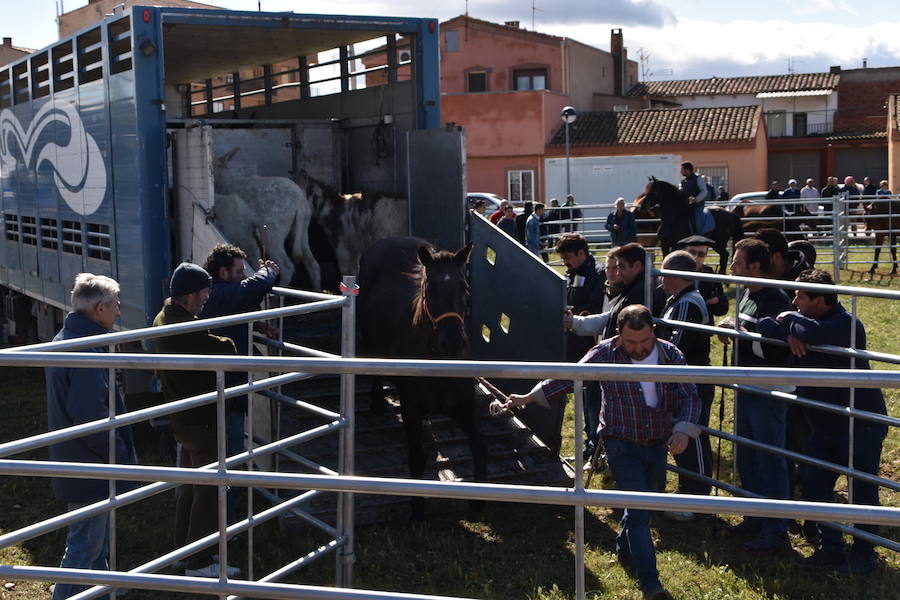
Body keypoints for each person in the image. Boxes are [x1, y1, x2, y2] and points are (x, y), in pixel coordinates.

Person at [506, 305, 700, 600]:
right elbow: (570, 377)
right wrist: (528, 398)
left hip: (657, 441)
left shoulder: (671, 354)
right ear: (619, 335)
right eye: (631, 342)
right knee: (638, 512)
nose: (638, 348)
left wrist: (684, 429)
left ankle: (623, 548)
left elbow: (689, 395)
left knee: (645, 502)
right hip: (620, 442)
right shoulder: (605, 353)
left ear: (654, 333)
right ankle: (651, 585)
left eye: (644, 342)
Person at [757, 270, 887, 576]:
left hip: (860, 422)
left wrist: (788, 319)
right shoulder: (807, 324)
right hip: (826, 422)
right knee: (815, 483)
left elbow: (809, 332)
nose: (794, 301)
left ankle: (865, 553)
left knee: (862, 489)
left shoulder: (846, 324)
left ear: (820, 300)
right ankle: (831, 549)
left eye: (800, 297)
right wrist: (791, 328)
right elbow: (764, 326)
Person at [46, 274, 138, 600]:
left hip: (76, 458)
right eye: (115, 306)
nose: (118, 313)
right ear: (99, 309)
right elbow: (90, 416)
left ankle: (105, 587)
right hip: (90, 464)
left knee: (95, 536)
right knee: (84, 543)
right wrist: (120, 455)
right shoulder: (85, 351)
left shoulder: (69, 337)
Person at [152, 262, 240, 578]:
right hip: (199, 421)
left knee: (191, 487)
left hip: (183, 419)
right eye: (203, 292)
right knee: (207, 491)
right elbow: (225, 349)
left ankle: (182, 551)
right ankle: (199, 562)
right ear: (188, 295)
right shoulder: (183, 329)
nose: (206, 297)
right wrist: (226, 339)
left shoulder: (165, 318)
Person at [717, 238, 794, 553]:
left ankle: (776, 529)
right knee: (746, 454)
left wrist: (742, 336)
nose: (732, 267)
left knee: (769, 458)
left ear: (755, 267)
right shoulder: (747, 293)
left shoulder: (776, 300)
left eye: (737, 261)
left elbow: (778, 351)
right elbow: (747, 331)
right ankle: (754, 515)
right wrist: (731, 325)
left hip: (769, 390)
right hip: (747, 387)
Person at [199, 244, 280, 520]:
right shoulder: (217, 292)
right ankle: (224, 525)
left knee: (216, 458)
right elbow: (246, 291)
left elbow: (240, 302)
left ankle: (214, 519)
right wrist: (267, 272)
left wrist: (256, 326)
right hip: (224, 392)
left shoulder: (213, 293)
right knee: (228, 458)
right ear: (223, 272)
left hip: (219, 390)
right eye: (238, 271)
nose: (243, 276)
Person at [656, 251, 714, 519]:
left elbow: (678, 344)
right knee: (681, 433)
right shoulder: (677, 300)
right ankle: (687, 490)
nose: (661, 277)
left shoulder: (688, 303)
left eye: (665, 272)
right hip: (680, 379)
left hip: (691, 380)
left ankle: (698, 497)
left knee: (693, 434)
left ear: (678, 275)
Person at [556, 232, 607, 459]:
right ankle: (590, 443)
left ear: (581, 253)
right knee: (583, 396)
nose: (565, 261)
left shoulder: (598, 273)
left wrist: (575, 316)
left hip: (590, 343)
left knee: (592, 397)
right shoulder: (573, 272)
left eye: (568, 256)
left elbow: (596, 307)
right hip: (573, 342)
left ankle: (595, 446)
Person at [601, 242, 666, 340]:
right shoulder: (636, 287)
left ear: (637, 265)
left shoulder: (640, 293)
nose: (618, 273)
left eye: (621, 267)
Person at [675, 235, 729, 317]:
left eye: (701, 254)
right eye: (692, 252)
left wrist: (718, 300)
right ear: (684, 252)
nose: (696, 257)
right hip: (678, 318)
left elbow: (722, 309)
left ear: (706, 255)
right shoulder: (674, 273)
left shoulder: (709, 273)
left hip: (703, 323)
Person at [679, 161, 710, 234]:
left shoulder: (698, 178)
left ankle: (700, 238)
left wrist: (696, 199)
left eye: (682, 169)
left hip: (698, 205)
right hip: (686, 206)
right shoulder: (683, 181)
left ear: (687, 170)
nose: (681, 171)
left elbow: (704, 191)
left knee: (697, 221)